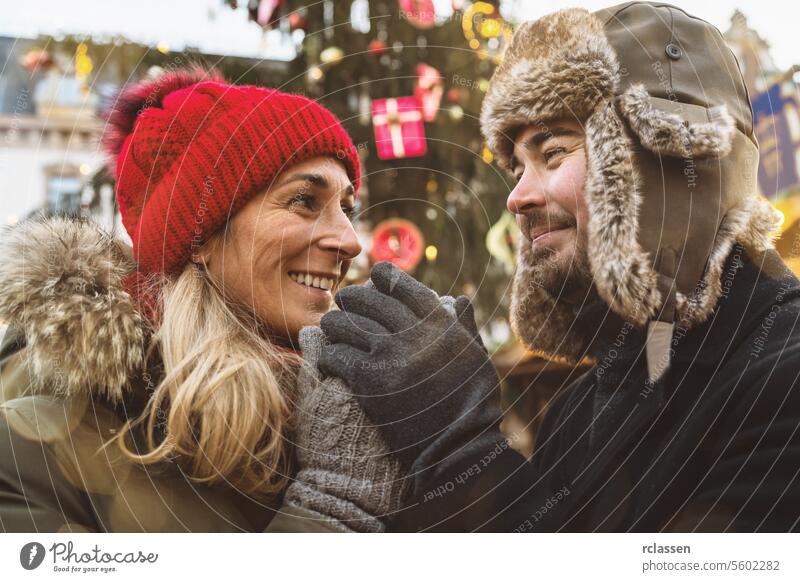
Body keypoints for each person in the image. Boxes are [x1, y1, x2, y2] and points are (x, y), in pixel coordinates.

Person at [317, 2, 800, 531]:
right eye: (517, 166)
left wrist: (458, 440)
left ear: (663, 161)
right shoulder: (577, 410)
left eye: (553, 154)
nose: (517, 197)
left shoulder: (782, 373)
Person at [0, 67, 406, 532]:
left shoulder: (352, 410)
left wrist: (458, 439)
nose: (350, 241)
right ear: (199, 237)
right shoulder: (31, 443)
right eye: (304, 201)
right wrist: (332, 508)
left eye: (347, 209)